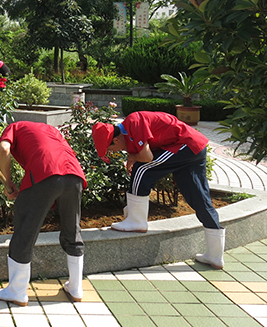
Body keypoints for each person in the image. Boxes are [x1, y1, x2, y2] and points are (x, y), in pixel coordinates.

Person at [92, 111, 224, 269]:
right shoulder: (128, 133)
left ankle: (137, 221)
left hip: (185, 145)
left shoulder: (133, 121)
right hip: (194, 147)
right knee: (198, 198)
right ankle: (215, 256)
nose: (115, 152)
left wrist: (134, 157)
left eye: (112, 149)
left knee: (142, 169)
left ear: (116, 140)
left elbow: (147, 158)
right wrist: (134, 155)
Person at [0, 121, 86, 306]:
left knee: (25, 230)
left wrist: (8, 182)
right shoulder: (51, 129)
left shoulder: (15, 127)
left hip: (46, 171)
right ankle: (76, 288)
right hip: (74, 174)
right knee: (72, 229)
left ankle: (17, 291)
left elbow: (4, 149)